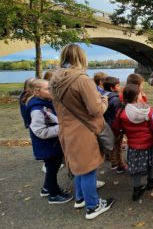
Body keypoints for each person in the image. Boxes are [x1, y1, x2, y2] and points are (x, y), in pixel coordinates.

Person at [49, 44, 114, 220]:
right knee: (88, 169)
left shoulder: (54, 78)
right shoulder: (82, 79)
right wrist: (104, 100)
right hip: (83, 130)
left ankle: (80, 198)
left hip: (66, 128)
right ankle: (93, 206)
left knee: (78, 166)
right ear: (81, 58)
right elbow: (95, 110)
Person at [112, 84, 153, 201]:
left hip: (133, 145)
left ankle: (137, 189)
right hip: (148, 143)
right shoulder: (147, 110)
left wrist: (125, 132)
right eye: (140, 93)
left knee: (135, 168)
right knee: (151, 163)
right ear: (137, 96)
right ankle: (151, 181)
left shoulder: (122, 112)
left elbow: (116, 127)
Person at [26, 79, 72, 204]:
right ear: (37, 92)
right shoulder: (37, 110)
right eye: (47, 89)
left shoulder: (46, 103)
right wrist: (62, 127)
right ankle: (54, 194)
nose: (51, 91)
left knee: (54, 166)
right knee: (52, 168)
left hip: (52, 144)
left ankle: (47, 188)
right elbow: (40, 131)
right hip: (47, 146)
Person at [102, 76, 127, 173]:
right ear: (112, 88)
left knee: (112, 146)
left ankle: (113, 163)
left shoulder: (103, 96)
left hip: (106, 125)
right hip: (115, 126)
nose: (120, 87)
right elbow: (118, 114)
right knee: (118, 145)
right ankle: (120, 165)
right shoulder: (115, 99)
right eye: (118, 85)